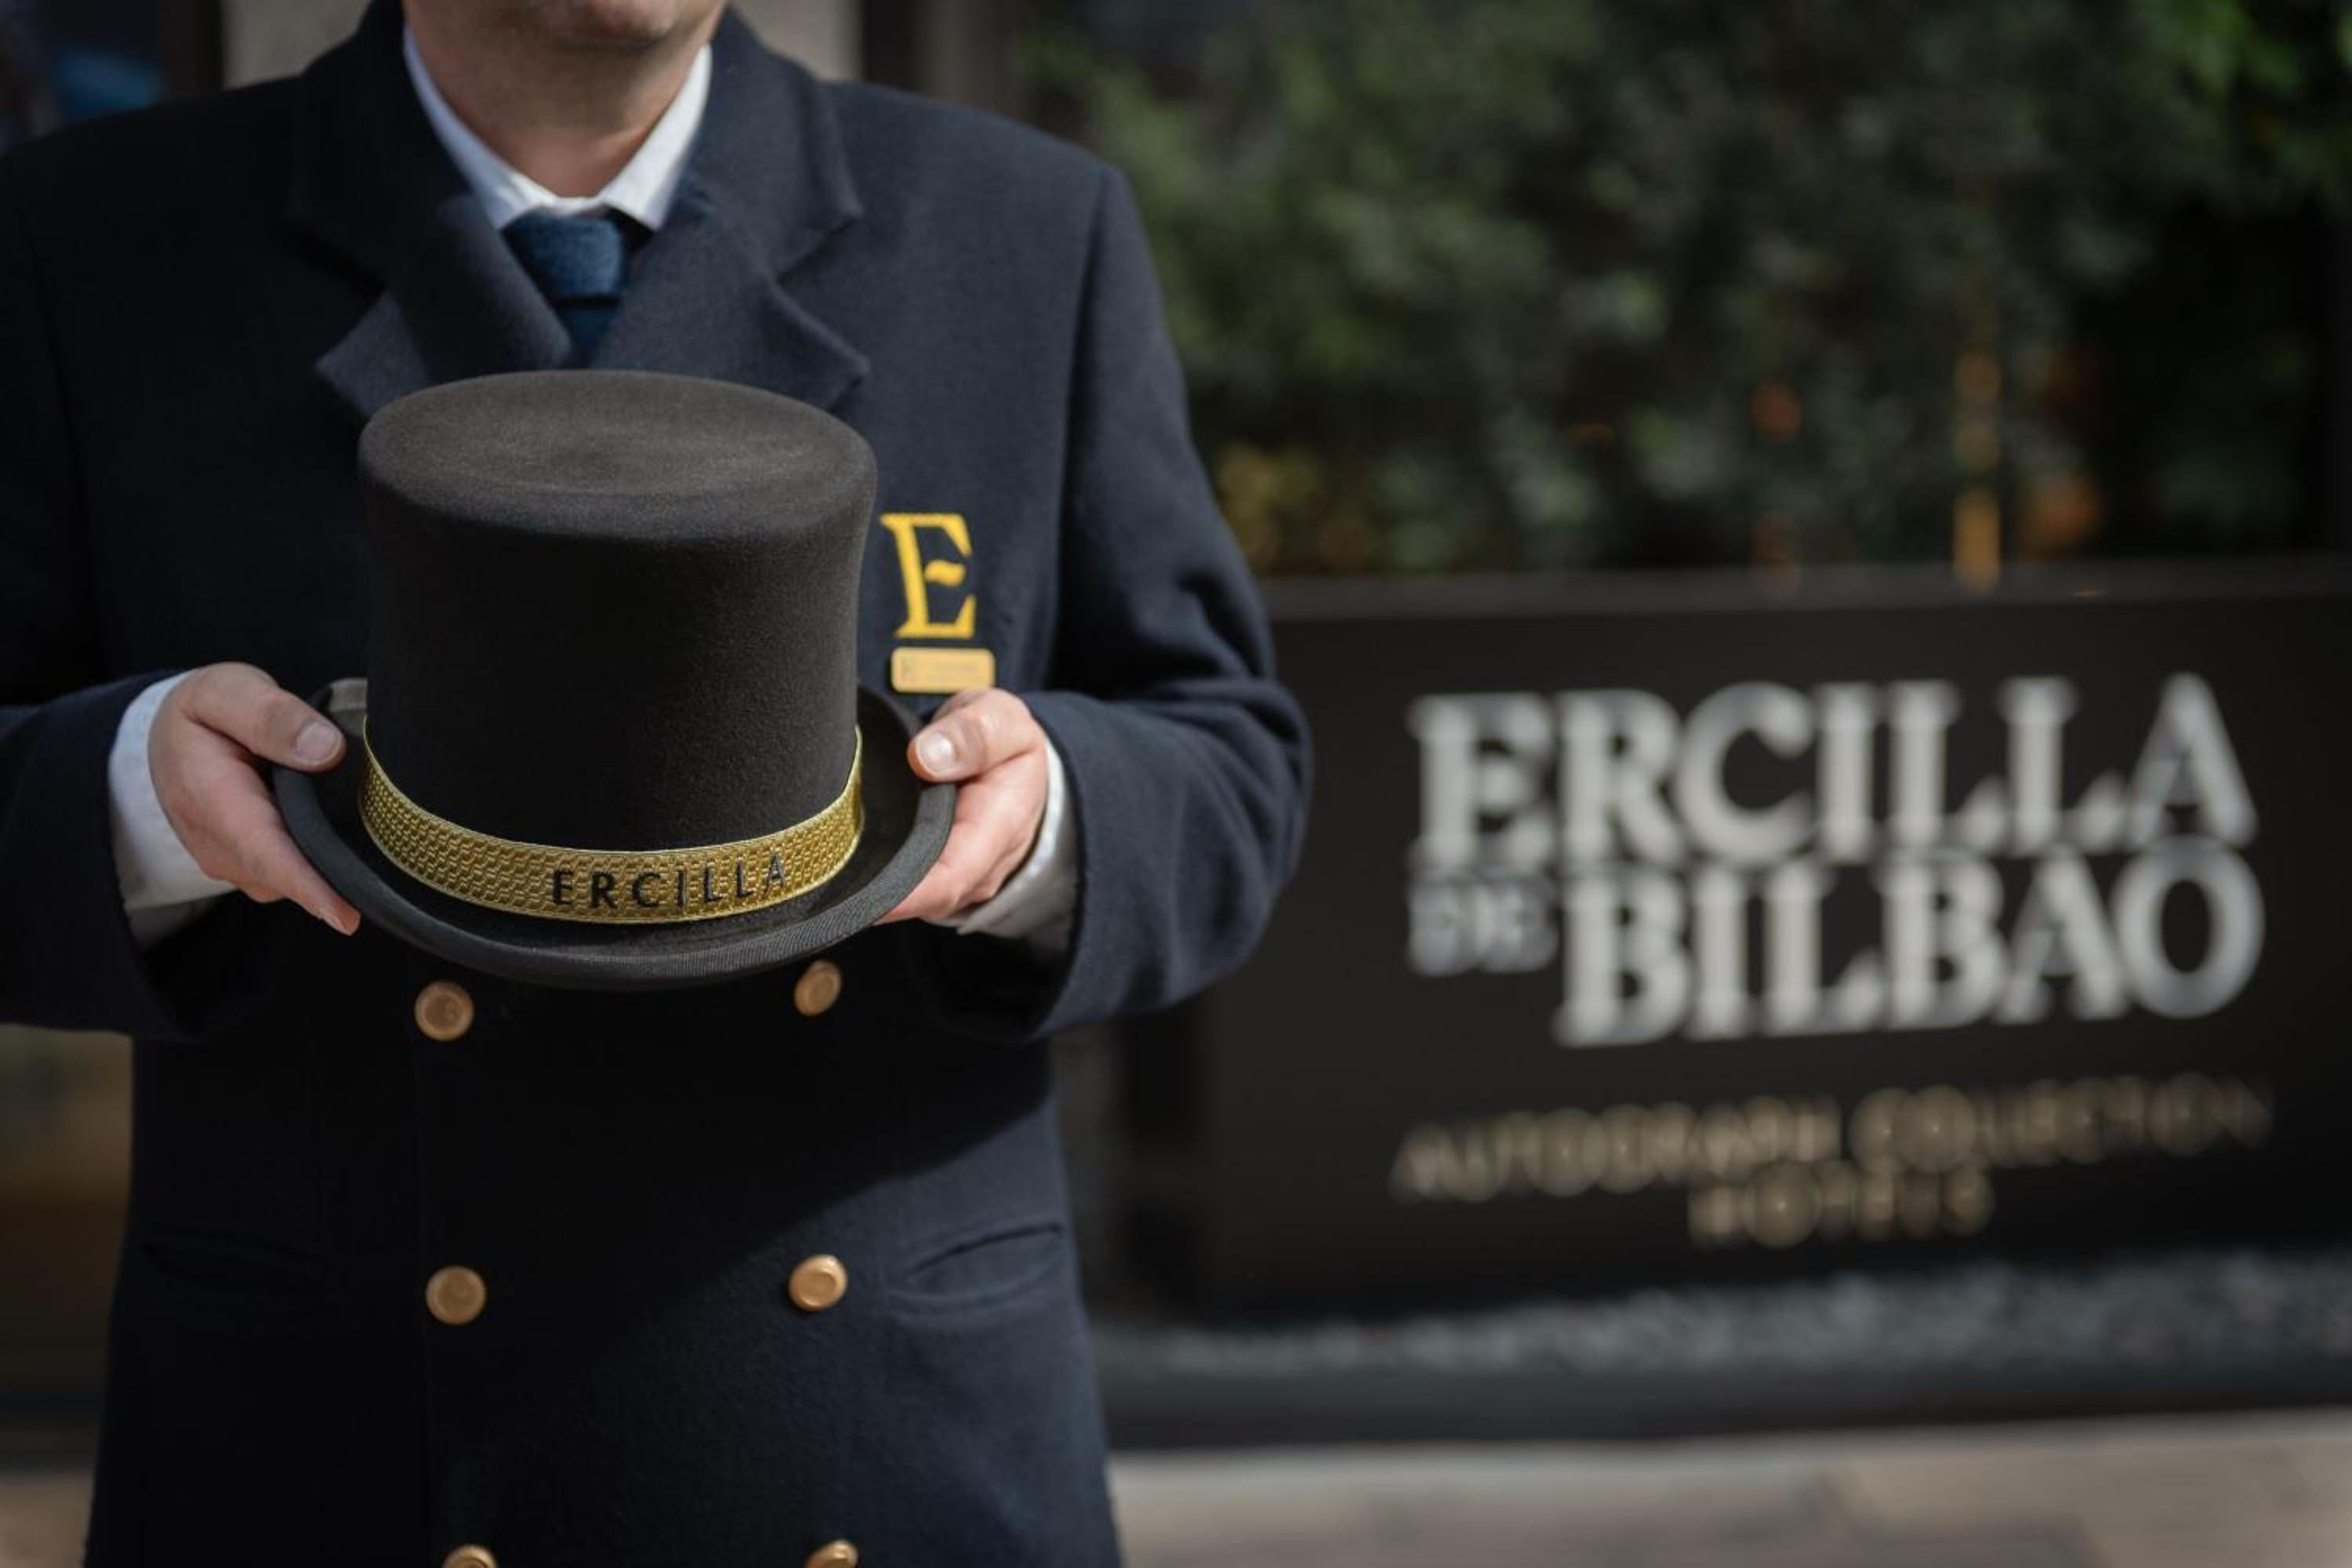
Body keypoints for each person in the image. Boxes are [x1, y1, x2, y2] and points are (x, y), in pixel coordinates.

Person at [0, 1, 1308, 1563]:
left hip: (882, 1455)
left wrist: (1047, 823)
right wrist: (138, 793)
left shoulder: (1020, 226)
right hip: (338, 1450)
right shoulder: (95, 235)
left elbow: (1230, 764)